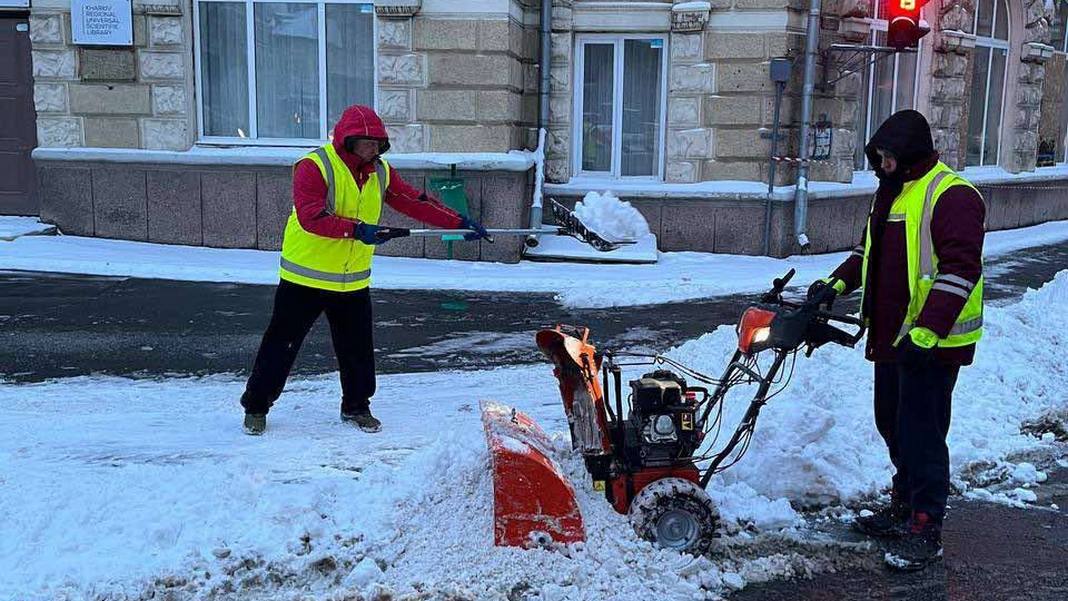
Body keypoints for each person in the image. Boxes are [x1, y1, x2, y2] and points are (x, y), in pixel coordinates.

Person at [240, 105, 489, 436]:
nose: (375, 149)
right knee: (281, 346)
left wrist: (458, 222)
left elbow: (415, 201)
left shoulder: (380, 172)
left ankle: (357, 407)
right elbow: (310, 217)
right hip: (305, 277)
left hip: (351, 280)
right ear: (349, 140)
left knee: (357, 348)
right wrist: (357, 230)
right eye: (368, 143)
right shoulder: (314, 167)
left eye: (379, 143)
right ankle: (256, 407)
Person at [807, 110, 985, 571]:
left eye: (887, 157)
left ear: (908, 155)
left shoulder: (952, 195)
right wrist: (836, 285)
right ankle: (904, 505)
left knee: (923, 433)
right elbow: (868, 253)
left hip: (932, 343)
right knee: (892, 422)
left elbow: (960, 270)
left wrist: (927, 333)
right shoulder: (891, 193)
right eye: (878, 156)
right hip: (893, 337)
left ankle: (927, 524)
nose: (881, 164)